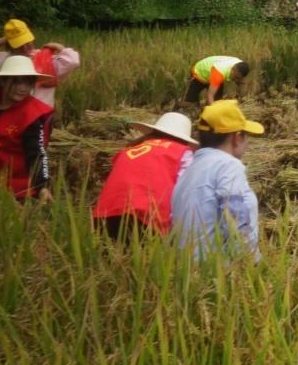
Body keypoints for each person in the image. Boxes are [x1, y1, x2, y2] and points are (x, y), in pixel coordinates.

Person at [170, 99, 265, 259]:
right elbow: (234, 217)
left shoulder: (190, 170)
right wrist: (253, 264)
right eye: (246, 136)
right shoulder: (228, 165)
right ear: (237, 138)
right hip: (217, 271)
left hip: (187, 271)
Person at [92, 112, 197, 237]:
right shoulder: (183, 153)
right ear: (184, 139)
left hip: (105, 214)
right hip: (146, 217)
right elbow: (184, 192)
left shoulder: (128, 150)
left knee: (109, 252)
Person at [0, 53, 55, 200]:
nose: (22, 88)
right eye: (16, 82)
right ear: (3, 81)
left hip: (16, 187)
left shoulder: (32, 115)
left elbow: (37, 153)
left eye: (28, 83)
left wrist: (41, 187)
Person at [0, 18, 80, 109]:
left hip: (39, 115)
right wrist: (4, 39)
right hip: (10, 116)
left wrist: (57, 46)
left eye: (27, 42)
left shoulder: (45, 59)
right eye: (19, 43)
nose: (25, 47)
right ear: (9, 44)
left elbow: (74, 61)